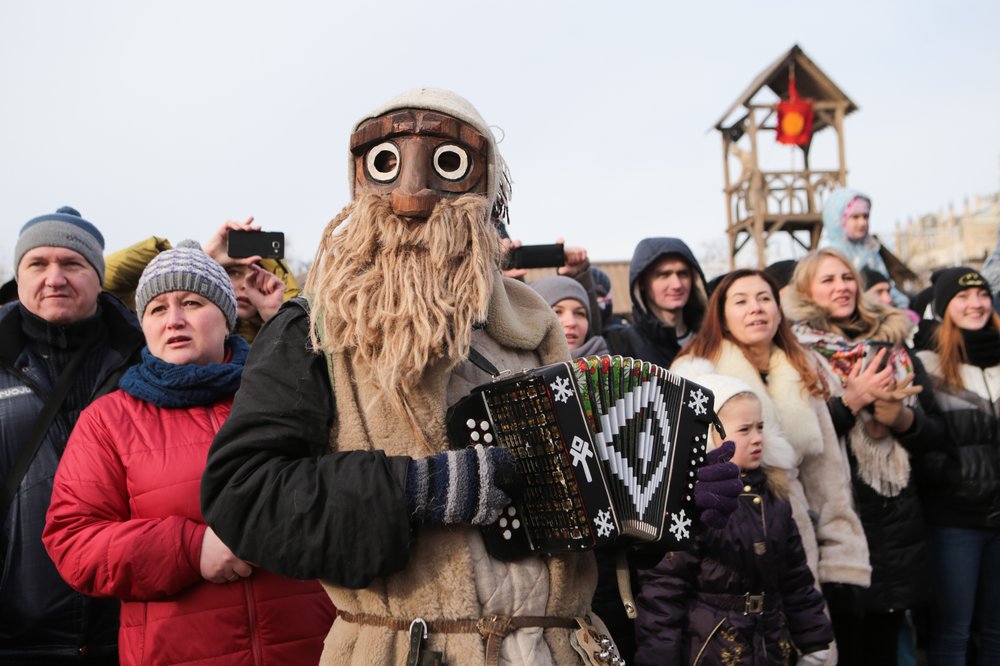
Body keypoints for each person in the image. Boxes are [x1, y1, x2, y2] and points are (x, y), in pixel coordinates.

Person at [199, 88, 739, 665]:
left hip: (561, 648)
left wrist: (659, 503)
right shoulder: (315, 328)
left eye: (447, 163)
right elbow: (243, 493)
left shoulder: (533, 324)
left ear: (485, 189)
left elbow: (574, 507)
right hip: (405, 650)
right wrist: (417, 490)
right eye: (386, 163)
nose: (412, 194)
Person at [42, 241, 335, 665]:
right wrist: (190, 550)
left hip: (313, 647)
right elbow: (72, 540)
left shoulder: (290, 393)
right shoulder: (107, 421)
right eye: (157, 309)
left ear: (226, 316)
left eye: (192, 302)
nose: (174, 320)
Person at [783, 247, 943, 665]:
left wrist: (903, 418)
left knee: (885, 645)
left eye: (847, 277)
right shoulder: (797, 355)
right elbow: (796, 442)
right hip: (838, 517)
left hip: (894, 520)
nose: (842, 287)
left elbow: (937, 434)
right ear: (805, 292)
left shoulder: (892, 345)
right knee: (845, 645)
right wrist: (848, 404)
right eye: (828, 280)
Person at [1, 207, 144, 663]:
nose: (55, 277)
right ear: (18, 275)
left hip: (128, 630)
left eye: (72, 264)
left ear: (99, 277)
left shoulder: (144, 363)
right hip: (16, 636)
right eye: (38, 264)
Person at [671, 269, 871, 588]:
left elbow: (827, 473)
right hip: (726, 540)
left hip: (797, 531)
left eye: (765, 298)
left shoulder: (802, 366)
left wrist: (843, 554)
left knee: (806, 629)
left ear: (779, 311)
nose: (756, 308)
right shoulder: (695, 373)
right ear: (721, 315)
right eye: (741, 301)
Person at [634, 374, 833, 665]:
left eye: (760, 427)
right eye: (744, 429)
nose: (757, 438)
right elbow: (663, 591)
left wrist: (813, 638)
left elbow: (796, 577)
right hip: (711, 647)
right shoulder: (691, 503)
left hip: (771, 644)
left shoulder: (773, 495)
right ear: (711, 436)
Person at [912, 267, 1000, 665]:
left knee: (998, 632)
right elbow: (921, 438)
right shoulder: (928, 364)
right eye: (962, 298)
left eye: (981, 295)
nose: (975, 303)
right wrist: (949, 475)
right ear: (944, 307)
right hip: (954, 518)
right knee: (954, 631)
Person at [103, 216, 299, 344]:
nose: (243, 286)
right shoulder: (174, 329)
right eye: (233, 273)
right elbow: (101, 284)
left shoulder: (288, 334)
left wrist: (277, 316)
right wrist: (202, 257)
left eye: (257, 277)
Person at [603, 237, 708, 368]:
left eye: (683, 274)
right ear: (641, 283)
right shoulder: (623, 346)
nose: (677, 285)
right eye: (664, 275)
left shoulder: (711, 337)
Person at [821, 187, 909, 307]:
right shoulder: (833, 256)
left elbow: (885, 283)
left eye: (865, 216)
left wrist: (901, 303)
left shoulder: (871, 249)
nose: (862, 222)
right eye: (855, 217)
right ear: (838, 220)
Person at [529, 274, 608, 357]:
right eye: (557, 312)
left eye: (580, 313)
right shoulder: (516, 366)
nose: (571, 323)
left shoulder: (611, 367)